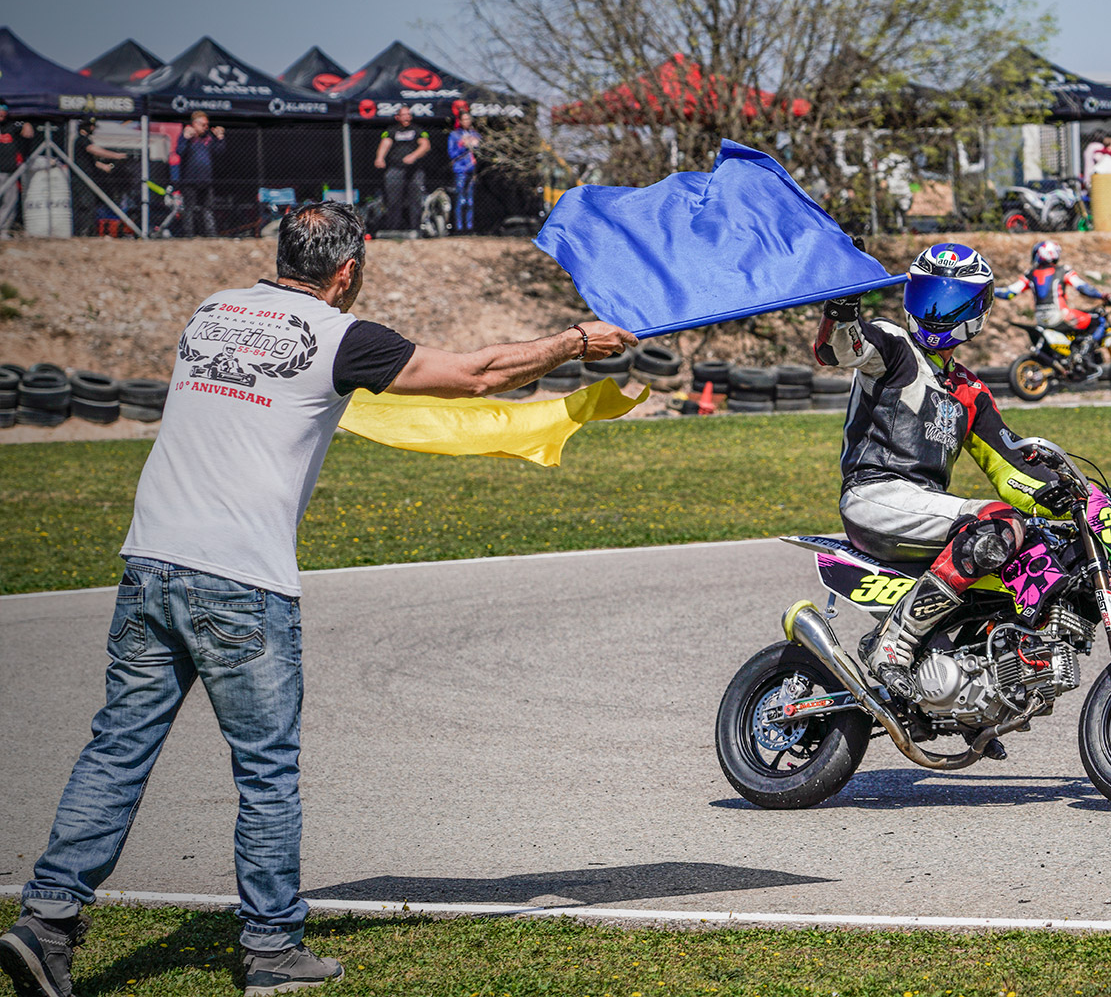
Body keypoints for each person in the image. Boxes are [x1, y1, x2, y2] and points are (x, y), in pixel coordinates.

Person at [0, 202, 636, 997]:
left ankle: (47, 922)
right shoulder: (343, 338)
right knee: (266, 772)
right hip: (240, 578)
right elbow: (476, 376)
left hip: (148, 561)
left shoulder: (211, 313)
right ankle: (271, 949)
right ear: (347, 271)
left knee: (117, 749)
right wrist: (576, 340)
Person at [812, 243, 1066, 716]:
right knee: (998, 522)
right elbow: (838, 349)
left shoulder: (971, 391)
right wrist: (842, 307)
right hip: (876, 494)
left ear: (976, 311)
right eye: (926, 296)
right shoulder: (894, 347)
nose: (934, 312)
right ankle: (894, 641)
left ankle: (977, 689)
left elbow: (1013, 467)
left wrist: (1087, 499)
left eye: (949, 301)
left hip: (923, 510)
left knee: (1034, 543)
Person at [995, 239, 1111, 349]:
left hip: (1040, 319)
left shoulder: (1030, 274)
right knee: (1099, 320)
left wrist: (990, 290)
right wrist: (1102, 295)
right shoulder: (1062, 271)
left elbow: (1009, 293)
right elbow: (1083, 288)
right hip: (1061, 316)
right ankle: (1085, 350)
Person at [374, 107, 430, 235]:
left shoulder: (417, 130)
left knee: (415, 199)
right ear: (397, 117)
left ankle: (415, 228)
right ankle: (393, 228)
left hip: (414, 170)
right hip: (396, 168)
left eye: (408, 114)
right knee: (393, 199)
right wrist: (380, 158)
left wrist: (413, 156)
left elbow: (425, 145)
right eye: (403, 115)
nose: (406, 117)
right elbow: (385, 143)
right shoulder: (391, 131)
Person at [172, 111, 225, 238]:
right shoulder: (186, 137)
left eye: (207, 125)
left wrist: (220, 139)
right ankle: (188, 234)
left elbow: (219, 152)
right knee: (189, 208)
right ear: (194, 124)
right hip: (189, 180)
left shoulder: (209, 138)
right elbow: (179, 152)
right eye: (203, 124)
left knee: (208, 208)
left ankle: (211, 234)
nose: (206, 127)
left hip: (206, 180)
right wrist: (185, 138)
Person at [0, 102, 37, 237]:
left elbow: (26, 130)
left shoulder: (10, 126)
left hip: (10, 172)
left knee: (10, 201)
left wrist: (26, 125)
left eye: (4, 109)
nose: (2, 112)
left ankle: (3, 230)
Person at [448, 111, 480, 235]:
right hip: (460, 170)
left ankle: (469, 227)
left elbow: (480, 150)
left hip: (472, 169)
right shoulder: (454, 135)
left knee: (470, 201)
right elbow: (452, 153)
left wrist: (476, 145)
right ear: (460, 121)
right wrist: (463, 145)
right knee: (460, 199)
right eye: (464, 119)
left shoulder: (474, 134)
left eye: (468, 119)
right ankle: (459, 227)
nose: (467, 121)